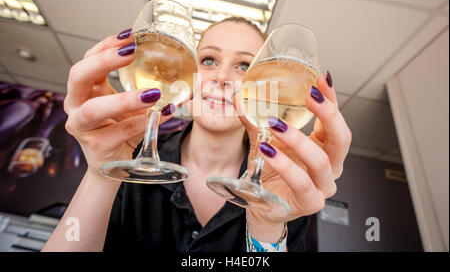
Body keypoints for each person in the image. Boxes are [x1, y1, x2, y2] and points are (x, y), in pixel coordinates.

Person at [42, 17, 351, 252]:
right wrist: (101, 174)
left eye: (245, 66)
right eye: (208, 60)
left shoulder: (288, 187)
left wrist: (267, 225)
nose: (221, 77)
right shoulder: (130, 160)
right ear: (189, 71)